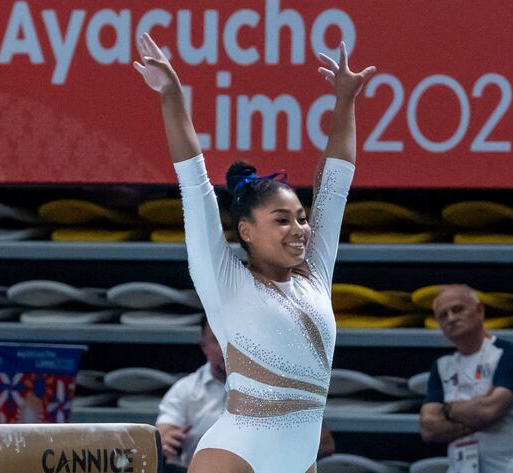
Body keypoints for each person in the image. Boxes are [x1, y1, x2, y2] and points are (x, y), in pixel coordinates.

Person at [134, 33, 374, 473]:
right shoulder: (225, 281)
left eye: (301, 218)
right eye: (281, 220)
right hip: (235, 455)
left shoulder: (314, 275)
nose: (299, 230)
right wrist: (172, 95)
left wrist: (345, 101)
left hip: (300, 460)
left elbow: (335, 186)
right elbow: (194, 184)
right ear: (246, 230)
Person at [156, 319, 335, 472]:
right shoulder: (184, 390)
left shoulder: (280, 387)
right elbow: (163, 435)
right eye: (217, 338)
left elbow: (326, 445)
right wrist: (165, 442)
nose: (227, 346)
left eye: (233, 337)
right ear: (204, 346)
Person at [420, 285, 513, 473]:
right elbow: (428, 428)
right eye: (443, 315)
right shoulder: (442, 366)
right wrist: (477, 416)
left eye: (457, 309)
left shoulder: (510, 355)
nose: (451, 319)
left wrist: (446, 409)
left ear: (480, 311)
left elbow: (489, 410)